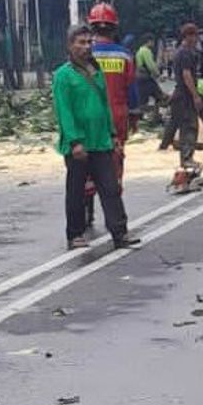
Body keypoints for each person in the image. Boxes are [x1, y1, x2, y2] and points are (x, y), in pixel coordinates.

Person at [52, 23, 139, 250]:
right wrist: (74, 141)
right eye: (80, 43)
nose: (86, 47)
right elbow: (64, 111)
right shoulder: (63, 76)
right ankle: (75, 233)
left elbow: (104, 104)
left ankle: (120, 232)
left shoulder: (96, 70)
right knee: (77, 190)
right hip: (79, 143)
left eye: (89, 42)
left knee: (110, 188)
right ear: (70, 46)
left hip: (101, 139)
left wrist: (112, 134)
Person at [83, 3, 139, 227]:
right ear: (115, 28)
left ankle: (87, 209)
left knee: (86, 163)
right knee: (114, 162)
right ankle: (115, 215)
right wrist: (134, 116)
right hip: (117, 117)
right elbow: (132, 90)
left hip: (89, 118)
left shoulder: (84, 55)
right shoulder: (125, 56)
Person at [170, 23, 203, 169]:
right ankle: (187, 158)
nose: (197, 39)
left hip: (182, 94)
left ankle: (186, 157)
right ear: (188, 36)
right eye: (195, 35)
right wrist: (195, 96)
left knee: (185, 126)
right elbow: (187, 75)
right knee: (189, 127)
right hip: (185, 95)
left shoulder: (182, 51)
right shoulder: (185, 53)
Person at [135, 33, 166, 111]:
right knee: (160, 96)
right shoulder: (146, 51)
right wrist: (159, 75)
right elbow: (151, 65)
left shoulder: (139, 50)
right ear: (149, 41)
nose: (153, 43)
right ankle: (155, 116)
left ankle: (147, 117)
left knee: (143, 100)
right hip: (146, 79)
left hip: (140, 78)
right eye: (152, 41)